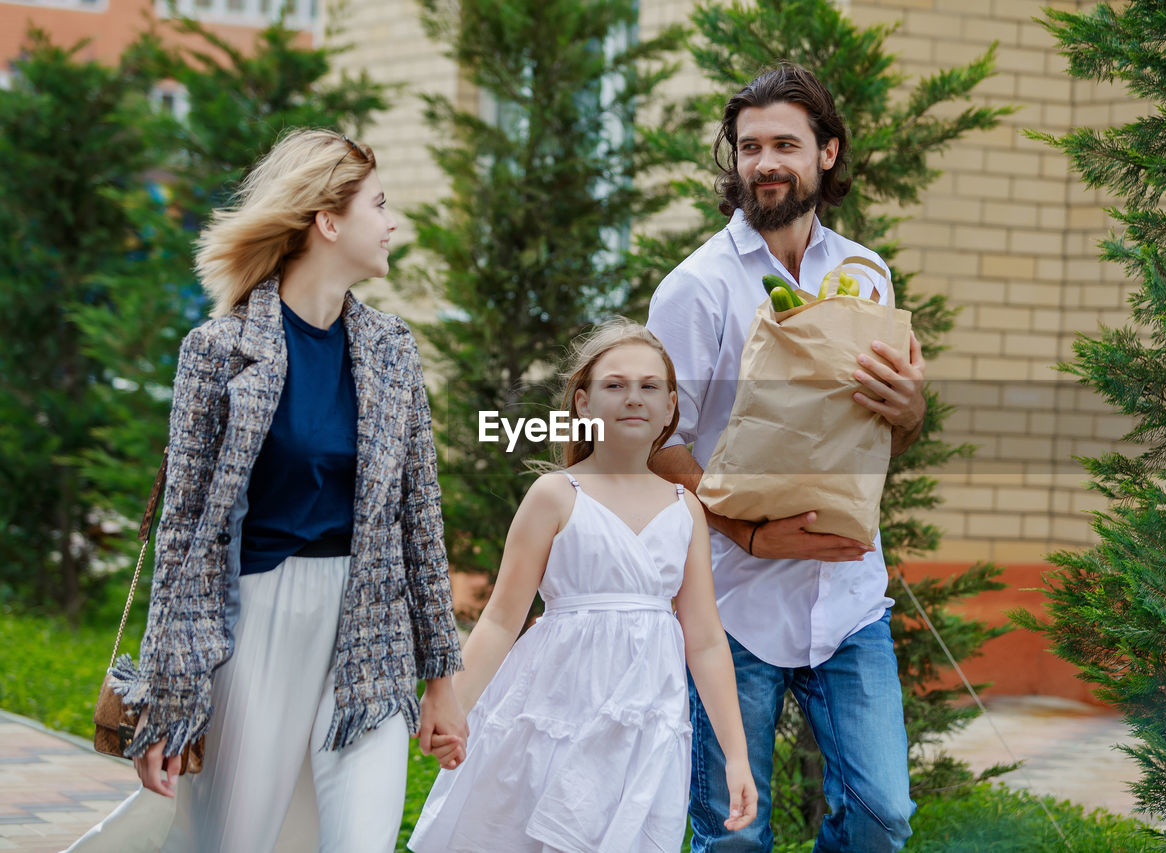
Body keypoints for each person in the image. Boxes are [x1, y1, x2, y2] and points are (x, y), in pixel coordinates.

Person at [65, 128, 465, 853]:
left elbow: (420, 521)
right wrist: (168, 696)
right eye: (380, 203)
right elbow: (183, 536)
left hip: (367, 630)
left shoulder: (392, 348)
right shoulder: (216, 351)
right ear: (328, 220)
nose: (393, 221)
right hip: (252, 627)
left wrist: (440, 675)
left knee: (360, 841)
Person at [646, 64, 924, 852]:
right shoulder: (695, 289)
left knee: (883, 817)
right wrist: (748, 534)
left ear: (827, 153)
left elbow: (882, 428)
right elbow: (655, 447)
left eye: (785, 145)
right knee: (734, 834)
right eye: (749, 145)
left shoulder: (867, 277)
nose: (765, 161)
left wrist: (910, 411)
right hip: (731, 603)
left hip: (849, 596)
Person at [408, 320, 758, 853]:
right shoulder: (555, 495)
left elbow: (706, 639)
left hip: (644, 726)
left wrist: (736, 755)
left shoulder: (685, 509)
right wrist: (451, 707)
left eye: (649, 386)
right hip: (555, 714)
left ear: (670, 409)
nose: (633, 398)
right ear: (583, 403)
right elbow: (502, 620)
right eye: (614, 385)